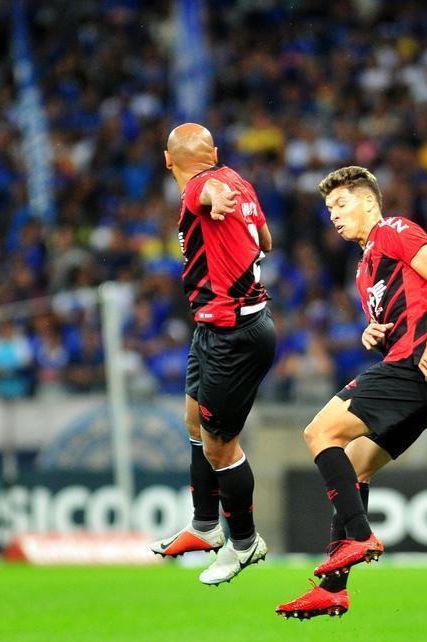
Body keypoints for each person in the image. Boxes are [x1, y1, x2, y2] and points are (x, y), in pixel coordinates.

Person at [276, 165, 427, 619]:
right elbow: (403, 305)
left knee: (319, 434)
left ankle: (359, 535)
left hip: (416, 365)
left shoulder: (394, 229)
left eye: (341, 204)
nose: (333, 216)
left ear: (369, 202)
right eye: (328, 210)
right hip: (419, 373)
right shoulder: (363, 268)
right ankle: (334, 589)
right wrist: (373, 331)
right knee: (356, 467)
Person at [148, 123, 277, 588]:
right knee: (193, 421)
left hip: (235, 333)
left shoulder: (201, 187)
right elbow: (266, 241)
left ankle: (244, 543)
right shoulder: (240, 181)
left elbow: (208, 191)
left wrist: (213, 200)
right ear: (215, 151)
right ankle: (205, 525)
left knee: (221, 445)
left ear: (168, 161)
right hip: (214, 327)